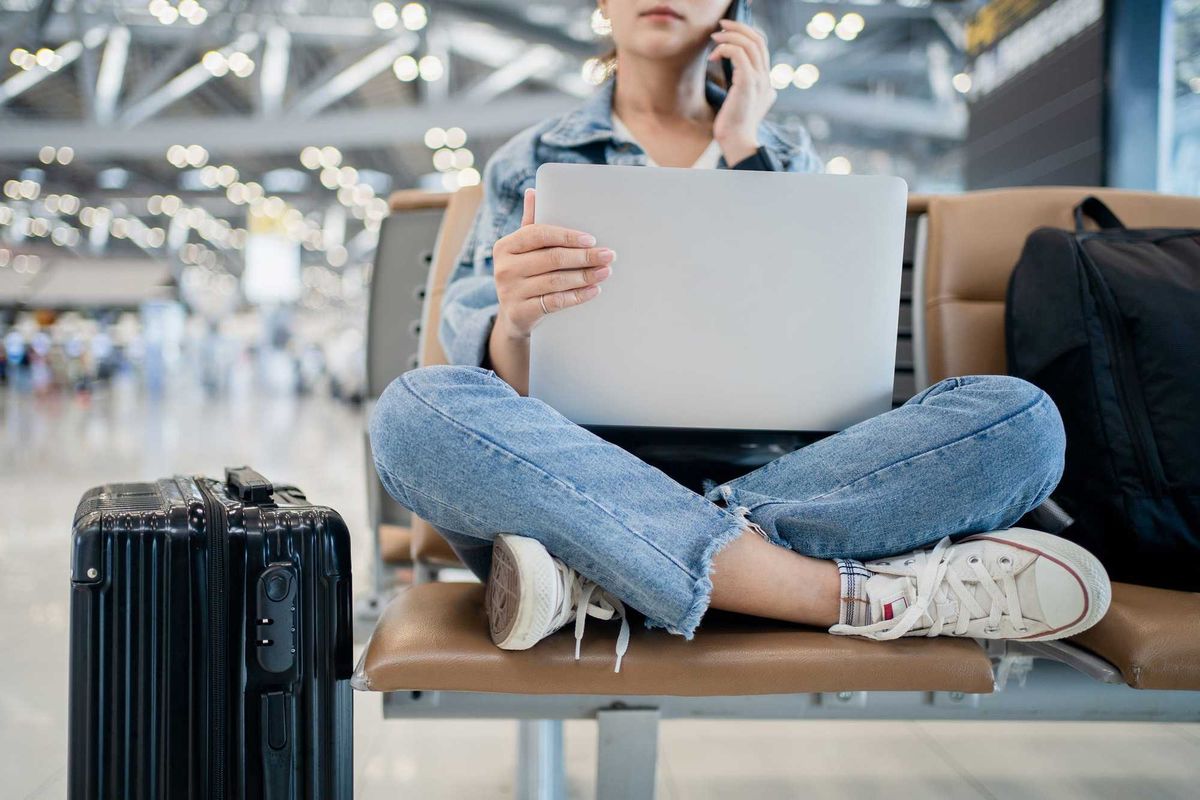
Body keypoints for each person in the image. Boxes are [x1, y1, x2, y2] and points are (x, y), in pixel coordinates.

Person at [370, 0, 1111, 671]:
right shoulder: (530, 160)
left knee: (1023, 422)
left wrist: (744, 149)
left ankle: (600, 577)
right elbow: (502, 387)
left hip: (758, 488)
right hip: (564, 476)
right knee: (414, 413)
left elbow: (824, 370)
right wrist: (517, 319)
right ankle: (825, 593)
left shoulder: (784, 156)